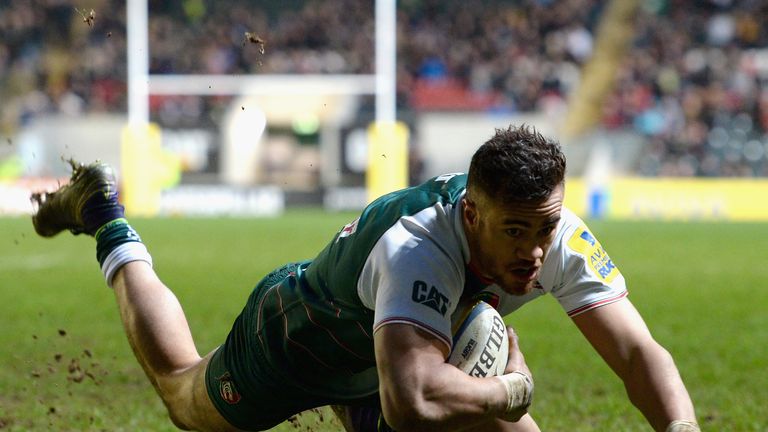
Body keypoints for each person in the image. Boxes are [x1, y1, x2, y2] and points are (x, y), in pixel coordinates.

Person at [31, 125, 699, 432]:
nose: (533, 252)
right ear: (471, 212)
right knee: (184, 397)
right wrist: (511, 389)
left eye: (544, 227)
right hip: (301, 337)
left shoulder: (555, 233)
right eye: (513, 232)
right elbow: (412, 403)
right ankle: (105, 218)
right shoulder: (418, 249)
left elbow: (639, 353)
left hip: (405, 345)